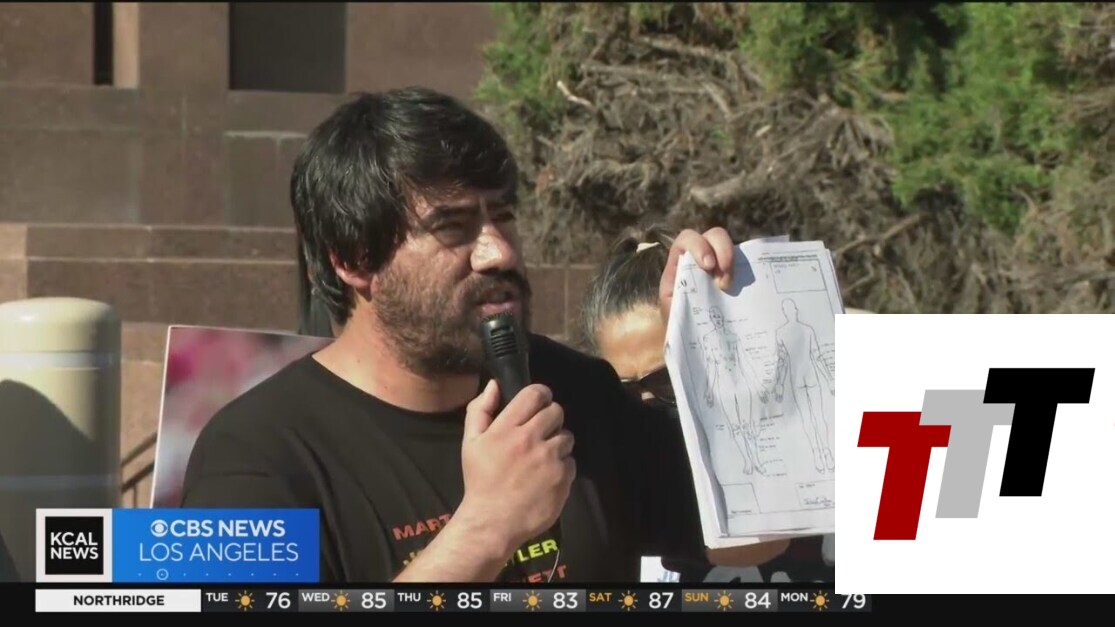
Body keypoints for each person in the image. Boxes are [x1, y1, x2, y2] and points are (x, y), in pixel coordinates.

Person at [179, 86, 783, 583]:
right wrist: (487, 528)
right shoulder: (254, 454)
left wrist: (720, 347)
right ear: (356, 259)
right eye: (453, 227)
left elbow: (758, 536)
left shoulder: (580, 392)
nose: (498, 252)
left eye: (504, 216)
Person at [581, 225, 834, 583]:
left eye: (666, 381)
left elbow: (767, 537)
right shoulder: (619, 520)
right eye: (624, 393)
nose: (647, 408)